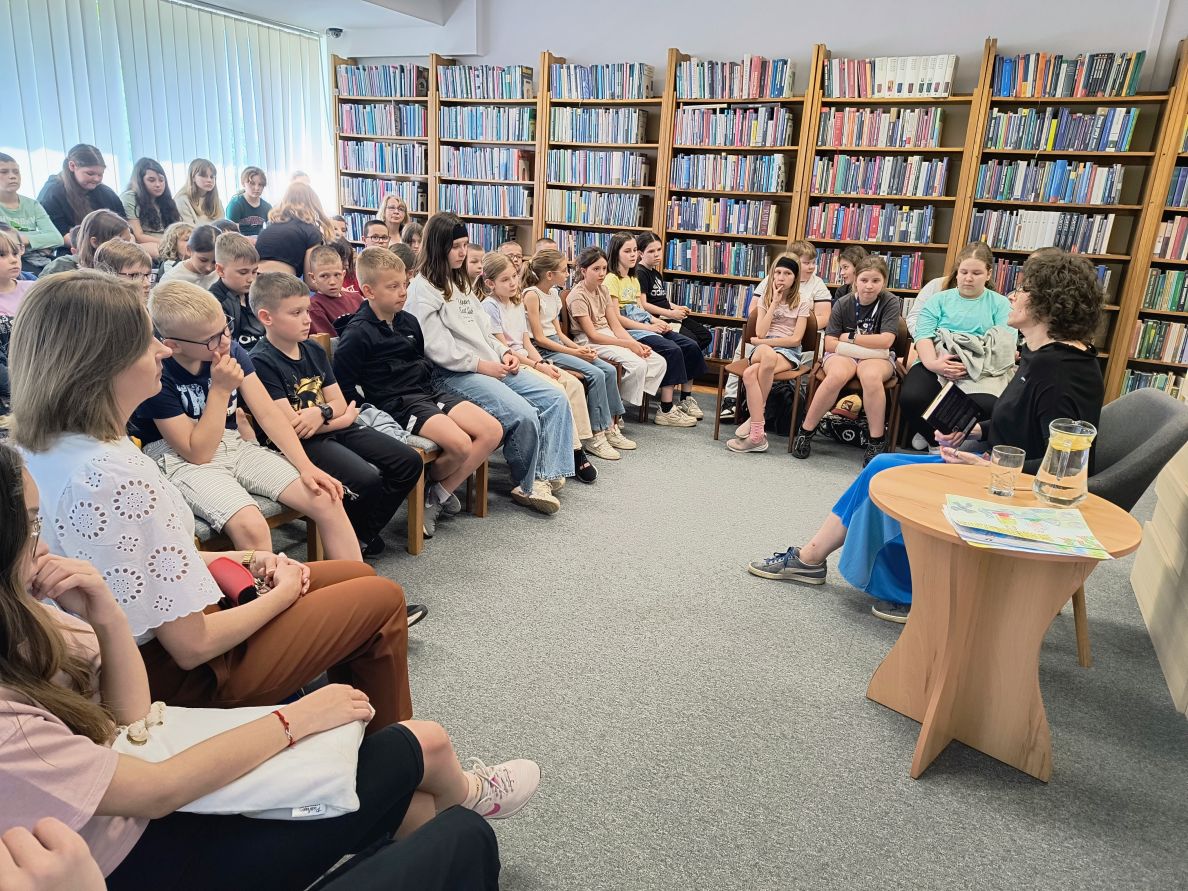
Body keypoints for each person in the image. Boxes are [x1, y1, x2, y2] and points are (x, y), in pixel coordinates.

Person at [0, 447, 533, 887]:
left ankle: (448, 797)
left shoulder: (32, 611)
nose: (42, 541)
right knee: (384, 612)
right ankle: (456, 799)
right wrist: (293, 716)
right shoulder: (109, 469)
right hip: (152, 818)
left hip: (139, 786)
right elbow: (185, 662)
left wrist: (111, 615)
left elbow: (131, 716)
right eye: (31, 524)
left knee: (418, 765)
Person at [748, 250, 1106, 623]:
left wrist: (986, 464)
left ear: (1048, 302)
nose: (1013, 296)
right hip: (995, 468)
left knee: (888, 471)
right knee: (882, 464)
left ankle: (891, 584)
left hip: (1014, 489)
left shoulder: (1061, 372)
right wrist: (974, 431)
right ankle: (811, 557)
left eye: (1024, 289)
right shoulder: (1041, 356)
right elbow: (1021, 423)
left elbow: (1064, 470)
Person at [130, 280, 363, 560]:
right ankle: (271, 588)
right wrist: (220, 390)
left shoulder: (229, 349)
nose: (224, 342)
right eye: (211, 339)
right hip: (180, 459)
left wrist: (306, 466)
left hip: (233, 443)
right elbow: (197, 453)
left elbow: (268, 414)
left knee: (327, 497)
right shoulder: (158, 370)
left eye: (225, 328)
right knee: (252, 527)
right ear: (173, 345)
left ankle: (357, 583)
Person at [406, 213, 574, 514]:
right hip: (452, 373)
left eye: (465, 244)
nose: (462, 252)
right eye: (455, 246)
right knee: (523, 413)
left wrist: (503, 352)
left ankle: (542, 474)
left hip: (488, 362)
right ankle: (528, 483)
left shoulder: (460, 282)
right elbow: (436, 348)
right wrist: (483, 365)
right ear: (438, 246)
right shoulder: (422, 289)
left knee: (554, 397)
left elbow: (484, 331)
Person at [250, 272, 424, 556]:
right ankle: (351, 540)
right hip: (301, 443)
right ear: (266, 317)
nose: (306, 319)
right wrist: (339, 418)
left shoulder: (312, 349)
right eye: (296, 313)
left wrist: (324, 413)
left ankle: (360, 535)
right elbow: (292, 427)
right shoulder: (260, 360)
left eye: (307, 310)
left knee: (408, 461)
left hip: (330, 426)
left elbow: (339, 401)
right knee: (365, 480)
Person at [334, 248, 502, 539]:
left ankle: (435, 494)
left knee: (492, 431)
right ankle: (426, 491)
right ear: (368, 291)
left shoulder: (409, 321)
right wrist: (371, 416)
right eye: (393, 286)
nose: (403, 292)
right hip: (397, 404)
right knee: (460, 445)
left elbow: (421, 363)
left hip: (427, 392)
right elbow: (343, 387)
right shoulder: (357, 333)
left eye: (405, 284)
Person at [480, 251, 598, 483]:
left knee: (573, 384)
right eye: (505, 280)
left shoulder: (516, 302)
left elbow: (526, 343)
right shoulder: (490, 307)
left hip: (529, 360)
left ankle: (576, 446)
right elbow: (505, 349)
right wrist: (538, 365)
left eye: (514, 276)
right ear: (490, 283)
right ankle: (576, 453)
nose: (513, 283)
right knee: (558, 389)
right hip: (513, 364)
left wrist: (542, 364)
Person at [522, 248, 633, 459]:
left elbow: (558, 333)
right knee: (596, 374)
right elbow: (541, 338)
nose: (567, 274)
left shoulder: (554, 294)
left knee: (609, 370)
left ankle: (611, 426)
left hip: (558, 345)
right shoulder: (532, 295)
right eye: (564, 270)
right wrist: (575, 352)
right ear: (550, 274)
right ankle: (596, 436)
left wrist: (577, 348)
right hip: (543, 351)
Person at [792, 255, 902, 466]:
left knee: (871, 377)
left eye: (876, 281)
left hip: (874, 358)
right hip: (851, 355)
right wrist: (869, 345)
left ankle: (876, 440)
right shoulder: (843, 303)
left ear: (884, 282)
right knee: (836, 375)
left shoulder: (890, 302)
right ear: (856, 280)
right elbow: (830, 344)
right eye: (864, 280)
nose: (869, 286)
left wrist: (850, 337)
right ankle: (806, 431)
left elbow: (887, 340)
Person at [899, 243, 1012, 447]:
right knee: (912, 397)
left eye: (976, 273)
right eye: (964, 272)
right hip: (937, 357)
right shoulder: (939, 300)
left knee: (987, 404)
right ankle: (935, 441)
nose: (968, 278)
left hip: (982, 366)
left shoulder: (1000, 303)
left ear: (988, 274)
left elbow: (1004, 344)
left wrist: (969, 365)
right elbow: (923, 336)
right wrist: (935, 364)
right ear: (957, 273)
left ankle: (956, 443)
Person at [604, 232, 706, 425]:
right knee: (672, 350)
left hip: (643, 324)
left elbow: (640, 309)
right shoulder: (611, 279)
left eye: (635, 250)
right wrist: (649, 327)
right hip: (630, 329)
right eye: (627, 251)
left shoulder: (633, 278)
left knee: (690, 345)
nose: (633, 255)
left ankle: (685, 399)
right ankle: (666, 409)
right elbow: (617, 318)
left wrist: (655, 322)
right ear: (616, 253)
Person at [726, 253, 813, 454]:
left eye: (787, 273)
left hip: (788, 352)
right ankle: (759, 421)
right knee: (766, 354)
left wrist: (763, 342)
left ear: (795, 277)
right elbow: (760, 332)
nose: (781, 277)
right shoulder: (765, 299)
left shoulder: (803, 301)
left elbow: (795, 340)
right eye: (778, 272)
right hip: (764, 350)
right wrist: (774, 302)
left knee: (750, 373)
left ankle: (756, 429)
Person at [566, 246, 667, 415]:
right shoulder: (577, 296)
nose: (601, 273)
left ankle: (617, 398)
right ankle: (616, 408)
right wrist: (627, 344)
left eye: (604, 268)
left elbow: (615, 325)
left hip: (609, 335)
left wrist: (634, 344)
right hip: (589, 341)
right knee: (638, 365)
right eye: (596, 269)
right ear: (583, 271)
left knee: (658, 361)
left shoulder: (603, 290)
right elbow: (593, 335)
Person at [634, 230, 711, 353]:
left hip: (669, 313)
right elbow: (644, 304)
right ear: (641, 253)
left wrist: (677, 307)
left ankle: (685, 360)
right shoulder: (640, 272)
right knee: (692, 342)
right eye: (651, 251)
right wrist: (671, 314)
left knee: (705, 336)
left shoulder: (656, 273)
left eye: (659, 249)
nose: (657, 254)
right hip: (659, 317)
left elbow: (661, 299)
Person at [36, 144, 125, 238]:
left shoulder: (105, 192)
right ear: (72, 166)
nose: (97, 179)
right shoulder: (52, 194)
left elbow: (124, 224)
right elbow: (59, 236)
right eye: (90, 174)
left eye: (100, 174)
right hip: (74, 245)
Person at [0, 152, 64, 274]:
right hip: (9, 261)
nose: (12, 176)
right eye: (3, 172)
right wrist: (39, 238)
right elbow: (4, 243)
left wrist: (23, 239)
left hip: (39, 258)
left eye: (16, 172)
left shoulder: (32, 204)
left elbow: (57, 238)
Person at [255, 183, 333, 277]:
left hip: (256, 279)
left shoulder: (268, 229)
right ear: (313, 203)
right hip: (284, 281)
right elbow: (310, 279)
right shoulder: (311, 232)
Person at [209, 232, 263, 351]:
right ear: (220, 270)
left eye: (254, 272)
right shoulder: (215, 302)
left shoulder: (259, 290)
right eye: (243, 272)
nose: (251, 279)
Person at [42, 209, 133, 277]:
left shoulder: (128, 266)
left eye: (129, 241)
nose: (131, 247)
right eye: (122, 242)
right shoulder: (60, 269)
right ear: (95, 242)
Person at [120, 158, 180, 260]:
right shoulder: (130, 197)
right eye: (151, 180)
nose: (158, 184)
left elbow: (176, 229)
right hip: (145, 244)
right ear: (140, 181)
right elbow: (138, 236)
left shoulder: (166, 200)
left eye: (161, 180)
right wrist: (172, 244)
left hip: (168, 242)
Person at [307, 243, 363, 335]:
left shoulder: (357, 299)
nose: (332, 282)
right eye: (324, 276)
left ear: (343, 274)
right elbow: (327, 341)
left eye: (337, 275)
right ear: (313, 278)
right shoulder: (313, 307)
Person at [158, 224, 218, 288]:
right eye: (203, 260)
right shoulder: (172, 278)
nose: (209, 268)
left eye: (215, 262)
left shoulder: (219, 272)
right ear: (189, 250)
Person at [225, 166, 271, 238]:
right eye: (252, 183)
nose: (257, 188)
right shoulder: (235, 205)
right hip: (240, 242)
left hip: (259, 241)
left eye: (260, 184)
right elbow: (232, 235)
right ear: (243, 184)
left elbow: (271, 230)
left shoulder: (267, 207)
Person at [173, 159, 224, 225]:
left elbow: (222, 227)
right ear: (193, 177)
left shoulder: (217, 201)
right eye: (204, 176)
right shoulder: (182, 200)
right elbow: (188, 230)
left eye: (212, 177)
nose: (209, 180)